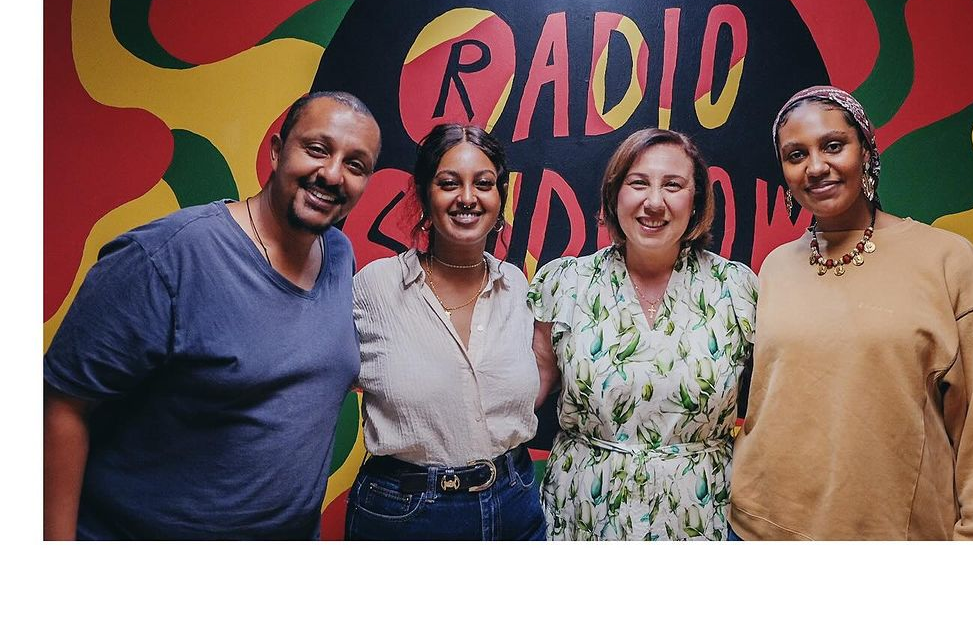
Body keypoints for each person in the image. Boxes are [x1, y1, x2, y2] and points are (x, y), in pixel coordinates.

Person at [43, 91, 381, 539]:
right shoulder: (166, 256)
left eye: (355, 165)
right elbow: (63, 404)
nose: (333, 174)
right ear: (277, 151)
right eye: (317, 149)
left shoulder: (338, 254)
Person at [730, 85, 973, 540]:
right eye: (796, 155)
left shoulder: (947, 260)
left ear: (866, 151)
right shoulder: (774, 267)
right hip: (759, 529)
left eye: (833, 145)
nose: (816, 167)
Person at [529, 128, 757, 540]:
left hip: (699, 516)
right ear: (614, 195)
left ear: (696, 200)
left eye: (673, 185)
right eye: (638, 183)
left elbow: (776, 402)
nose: (654, 202)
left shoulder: (736, 288)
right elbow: (525, 393)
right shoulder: (565, 283)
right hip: (584, 515)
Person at [346, 124, 544, 540]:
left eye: (483, 184)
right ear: (424, 195)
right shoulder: (375, 287)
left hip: (514, 499)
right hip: (408, 512)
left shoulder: (516, 285)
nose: (467, 198)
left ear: (500, 197)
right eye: (449, 183)